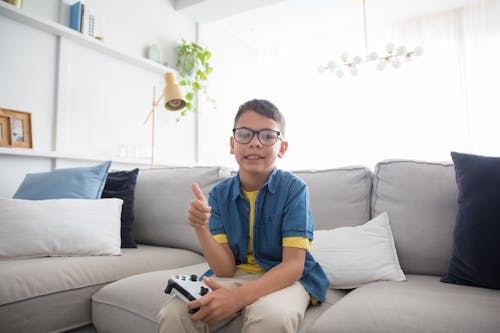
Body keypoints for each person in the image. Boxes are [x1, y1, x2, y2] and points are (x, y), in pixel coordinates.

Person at [157, 99, 328, 333]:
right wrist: (201, 227)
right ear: (232, 143)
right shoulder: (218, 194)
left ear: (282, 147)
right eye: (245, 134)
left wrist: (236, 298)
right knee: (177, 312)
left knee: (271, 317)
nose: (255, 143)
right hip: (237, 273)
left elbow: (293, 266)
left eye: (268, 136)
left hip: (284, 277)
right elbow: (225, 270)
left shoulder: (294, 189)